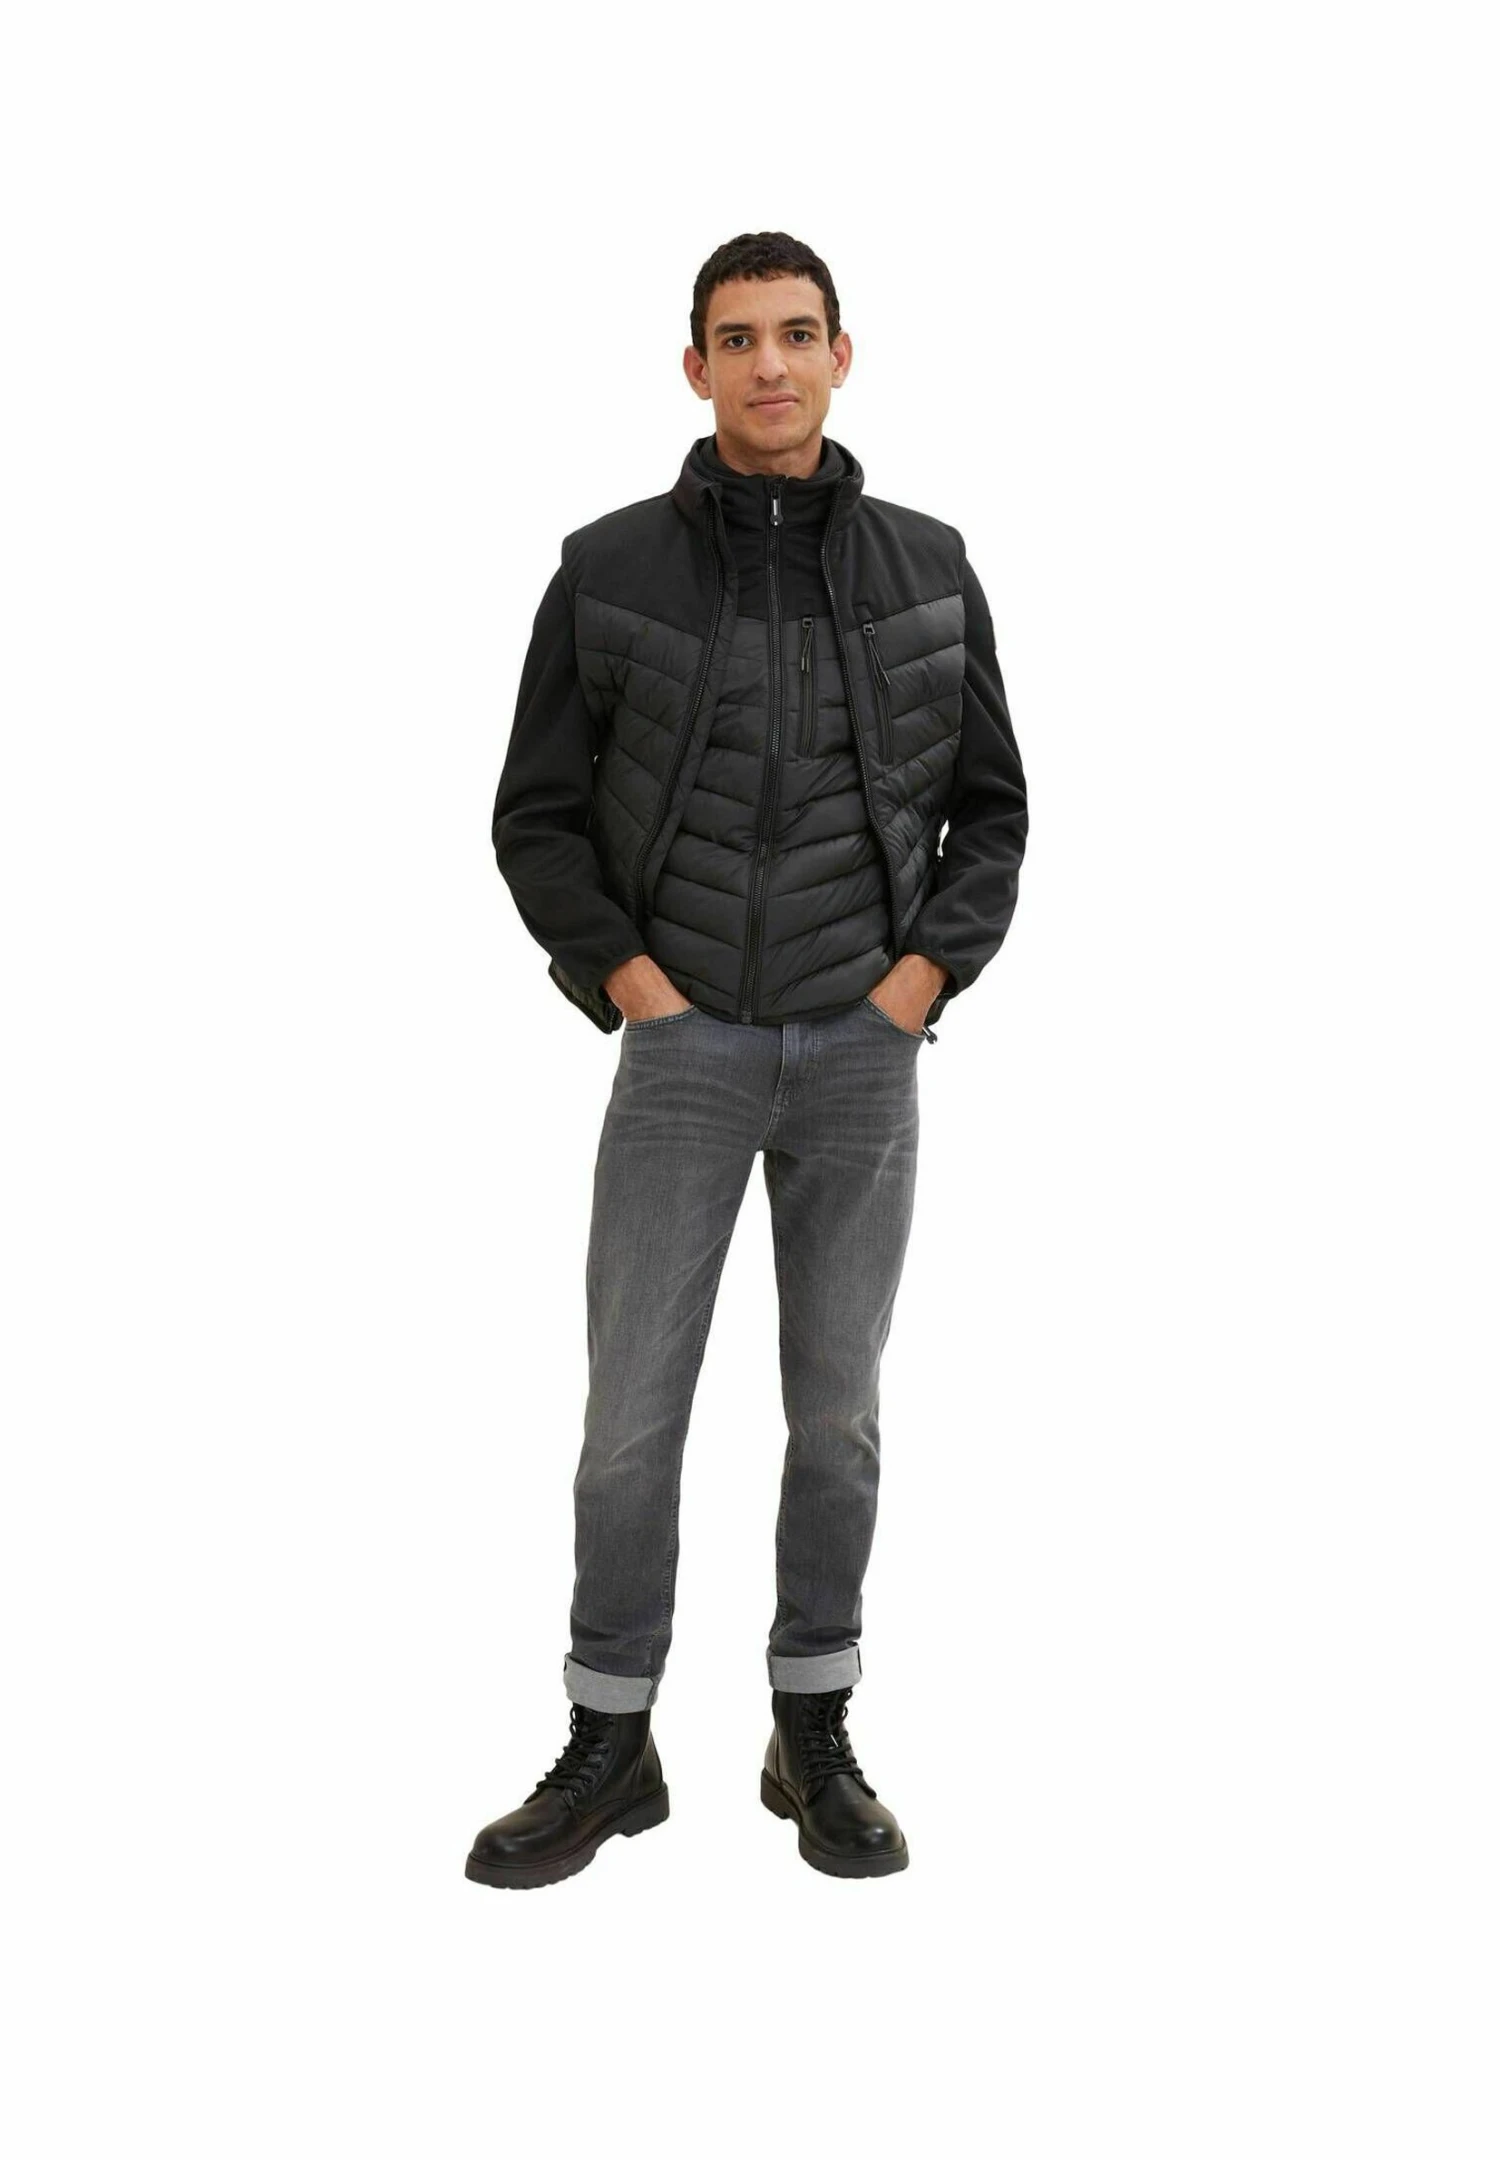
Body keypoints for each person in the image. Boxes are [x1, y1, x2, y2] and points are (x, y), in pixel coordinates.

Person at [466, 231, 1028, 1887]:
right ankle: (612, 1738)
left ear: (843, 355)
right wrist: (633, 984)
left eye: (796, 334)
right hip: (684, 1044)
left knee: (837, 1417)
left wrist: (919, 982)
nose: (768, 364)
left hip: (864, 1049)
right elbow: (536, 814)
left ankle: (812, 1726)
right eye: (737, 338)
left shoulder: (931, 566)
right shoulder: (608, 567)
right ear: (694, 365)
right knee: (629, 1419)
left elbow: (994, 810)